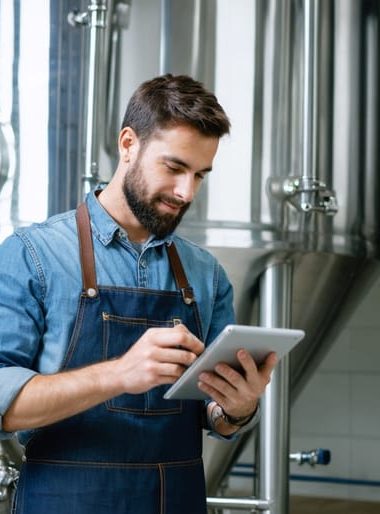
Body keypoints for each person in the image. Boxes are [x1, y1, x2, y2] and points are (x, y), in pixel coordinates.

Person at [0, 74, 277, 514]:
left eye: (200, 175)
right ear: (128, 144)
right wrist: (120, 374)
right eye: (174, 168)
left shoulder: (206, 275)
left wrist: (236, 409)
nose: (187, 192)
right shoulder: (34, 255)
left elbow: (214, 412)